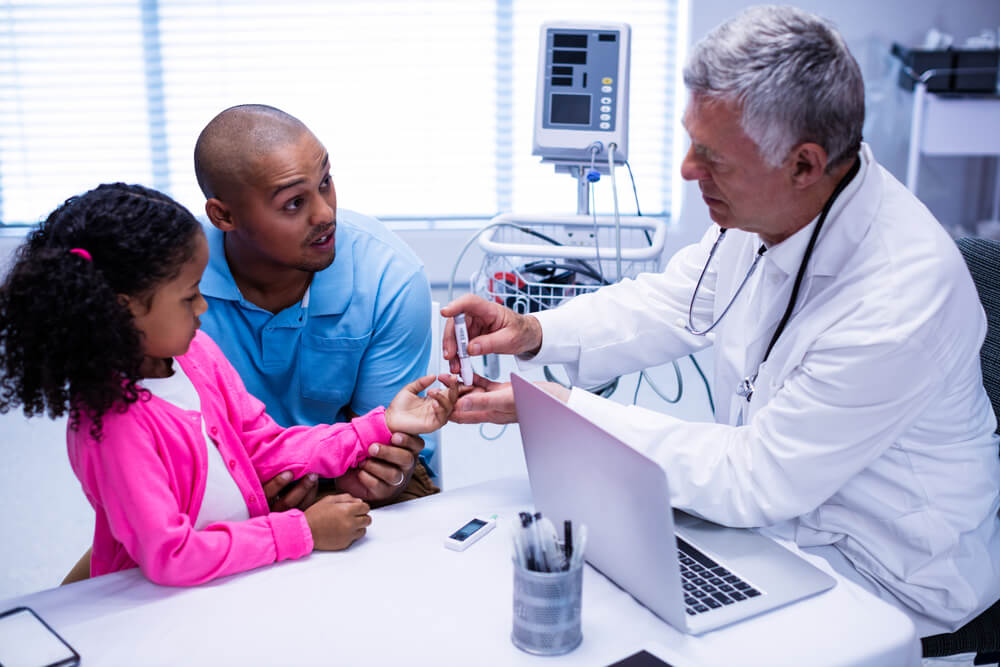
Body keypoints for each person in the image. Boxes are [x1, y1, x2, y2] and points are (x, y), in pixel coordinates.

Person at [442, 5, 1000, 637]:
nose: (686, 169)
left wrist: (563, 408)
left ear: (804, 164)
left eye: (713, 158)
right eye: (689, 142)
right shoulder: (767, 212)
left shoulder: (899, 298)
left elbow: (754, 476)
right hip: (781, 521)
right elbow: (677, 298)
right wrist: (538, 331)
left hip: (886, 568)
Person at [0, 183, 457, 586]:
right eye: (188, 296)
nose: (203, 307)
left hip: (236, 572)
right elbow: (172, 556)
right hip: (149, 605)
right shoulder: (113, 427)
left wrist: (377, 427)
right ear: (125, 310)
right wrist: (302, 532)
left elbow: (263, 446)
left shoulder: (194, 355)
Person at [193, 104, 437, 508]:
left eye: (325, 182)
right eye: (293, 203)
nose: (326, 215)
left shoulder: (390, 279)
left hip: (351, 473)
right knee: (115, 568)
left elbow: (389, 441)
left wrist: (387, 475)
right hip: (226, 477)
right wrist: (253, 493)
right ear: (224, 216)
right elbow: (168, 441)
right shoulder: (175, 285)